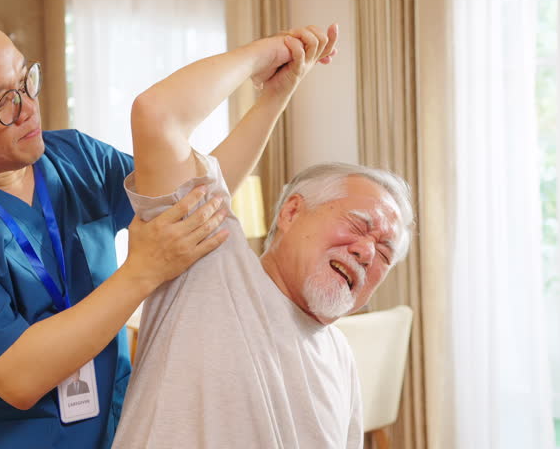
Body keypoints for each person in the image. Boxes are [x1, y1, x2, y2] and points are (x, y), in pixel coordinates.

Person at [0, 0, 232, 449]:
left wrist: (271, 89)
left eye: (26, 80)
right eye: (2, 102)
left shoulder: (75, 158)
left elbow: (200, 194)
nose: (29, 107)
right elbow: (20, 376)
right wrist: (144, 270)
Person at [112, 24, 414, 448]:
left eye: (385, 253)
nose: (367, 252)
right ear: (292, 212)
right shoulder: (207, 264)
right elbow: (158, 115)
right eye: (359, 225)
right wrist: (271, 62)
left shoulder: (340, 359)